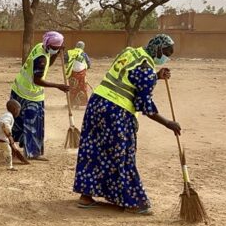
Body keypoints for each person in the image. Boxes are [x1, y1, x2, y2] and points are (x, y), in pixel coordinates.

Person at [73, 35, 181, 215]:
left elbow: (128, 77)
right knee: (122, 155)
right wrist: (168, 123)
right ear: (157, 49)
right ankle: (132, 202)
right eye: (166, 53)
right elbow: (146, 107)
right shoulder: (146, 70)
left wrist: (156, 76)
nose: (166, 58)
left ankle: (85, 196)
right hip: (116, 112)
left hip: (97, 104)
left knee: (94, 149)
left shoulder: (131, 52)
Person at [10, 31, 70, 160]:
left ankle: (12, 144)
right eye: (54, 47)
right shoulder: (41, 59)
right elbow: (37, 80)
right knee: (34, 124)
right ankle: (32, 153)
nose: (55, 49)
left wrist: (56, 53)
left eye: (58, 47)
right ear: (48, 45)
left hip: (18, 88)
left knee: (17, 120)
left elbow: (49, 62)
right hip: (30, 95)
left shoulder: (39, 46)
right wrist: (58, 86)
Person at [0, 99, 22, 171]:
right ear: (14, 110)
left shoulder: (5, 114)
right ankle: (9, 166)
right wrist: (9, 135)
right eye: (18, 110)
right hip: (0, 137)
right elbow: (4, 124)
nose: (19, 112)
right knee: (8, 150)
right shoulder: (9, 116)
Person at [66, 41, 92, 108]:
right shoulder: (84, 54)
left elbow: (65, 60)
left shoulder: (69, 52)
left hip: (72, 74)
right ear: (83, 47)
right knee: (82, 88)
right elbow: (89, 64)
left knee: (73, 88)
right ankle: (78, 104)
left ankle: (71, 104)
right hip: (82, 74)